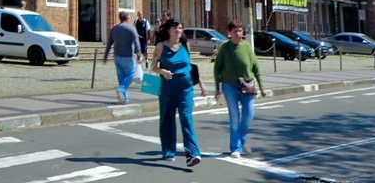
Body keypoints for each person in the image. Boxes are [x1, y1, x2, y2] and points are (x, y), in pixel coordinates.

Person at [150, 18, 202, 167]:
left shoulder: (185, 44)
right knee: (167, 118)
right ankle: (168, 151)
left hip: (186, 87)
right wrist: (163, 71)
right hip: (168, 87)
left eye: (180, 28)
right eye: (175, 28)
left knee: (186, 117)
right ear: (168, 30)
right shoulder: (161, 46)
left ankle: (193, 154)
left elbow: (191, 67)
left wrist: (202, 85)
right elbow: (153, 66)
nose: (178, 31)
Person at [213, 20, 267, 158]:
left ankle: (241, 136)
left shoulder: (247, 47)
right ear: (229, 33)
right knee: (234, 116)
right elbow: (217, 68)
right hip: (229, 86)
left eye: (240, 31)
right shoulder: (225, 48)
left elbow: (256, 67)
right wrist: (217, 88)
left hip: (247, 85)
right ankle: (235, 148)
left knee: (249, 112)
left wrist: (262, 87)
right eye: (235, 31)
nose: (238, 34)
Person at [103, 11, 143, 104]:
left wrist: (105, 56)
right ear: (128, 18)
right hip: (128, 56)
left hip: (117, 56)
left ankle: (125, 99)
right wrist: (139, 55)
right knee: (131, 75)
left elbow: (109, 43)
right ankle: (121, 89)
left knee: (121, 77)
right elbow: (136, 42)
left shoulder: (114, 29)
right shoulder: (131, 28)